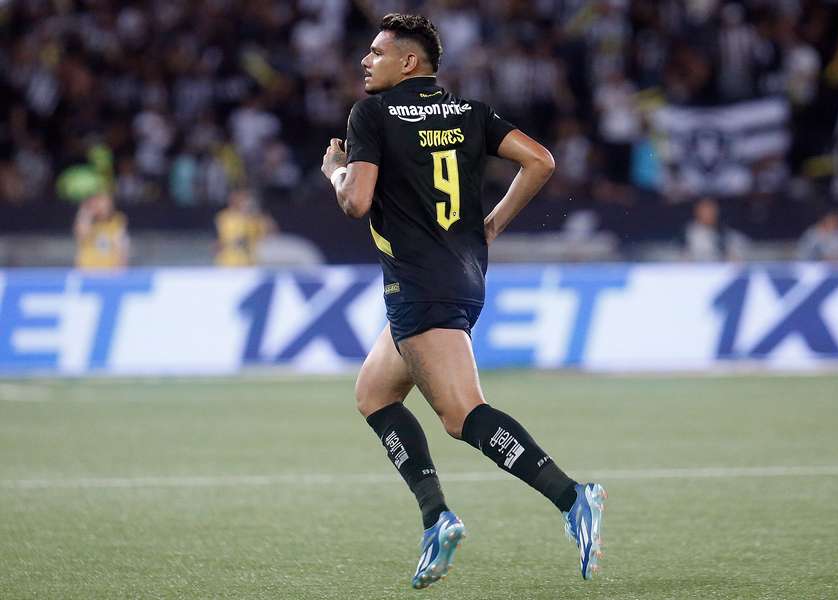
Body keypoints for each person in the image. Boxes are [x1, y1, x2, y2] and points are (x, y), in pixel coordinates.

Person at [320, 14, 605, 590]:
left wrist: (336, 171)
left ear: (409, 63)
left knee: (461, 414)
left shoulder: (370, 114)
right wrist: (492, 224)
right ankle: (435, 518)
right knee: (374, 394)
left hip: (421, 283)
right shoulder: (468, 114)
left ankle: (573, 496)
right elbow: (541, 161)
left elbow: (357, 203)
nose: (364, 62)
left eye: (376, 53)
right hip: (462, 274)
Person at [214, 188, 276, 267]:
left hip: (249, 264)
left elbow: (271, 230)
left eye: (245, 199)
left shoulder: (254, 218)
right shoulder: (223, 217)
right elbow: (217, 242)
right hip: (227, 264)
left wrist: (260, 214)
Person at [73, 192, 129, 269]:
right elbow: (82, 235)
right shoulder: (86, 221)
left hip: (109, 271)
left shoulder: (117, 221)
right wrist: (87, 212)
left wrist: (121, 267)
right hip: (88, 270)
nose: (103, 207)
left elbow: (121, 246)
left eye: (107, 204)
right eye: (99, 204)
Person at [684, 197, 749, 262]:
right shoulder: (689, 233)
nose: (708, 214)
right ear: (697, 212)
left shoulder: (725, 232)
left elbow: (740, 243)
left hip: (722, 268)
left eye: (711, 210)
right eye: (705, 211)